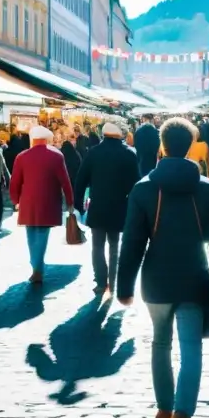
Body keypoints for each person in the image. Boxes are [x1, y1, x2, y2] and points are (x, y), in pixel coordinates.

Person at [117, 117, 209, 418]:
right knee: (192, 348)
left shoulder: (144, 188)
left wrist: (124, 286)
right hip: (193, 275)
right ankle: (183, 416)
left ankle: (164, 410)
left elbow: (133, 243)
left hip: (156, 279)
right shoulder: (205, 186)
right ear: (192, 144)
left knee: (161, 344)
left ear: (162, 146)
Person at [74, 122, 140, 296]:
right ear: (120, 135)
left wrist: (78, 204)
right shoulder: (129, 153)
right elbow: (136, 185)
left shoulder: (93, 152)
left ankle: (101, 281)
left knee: (97, 245)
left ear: (103, 134)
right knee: (114, 245)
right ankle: (112, 281)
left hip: (98, 205)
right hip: (120, 206)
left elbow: (80, 180)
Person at [10, 125, 75, 284]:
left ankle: (36, 266)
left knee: (31, 234)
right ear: (47, 139)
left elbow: (15, 183)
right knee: (42, 235)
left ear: (32, 139)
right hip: (49, 202)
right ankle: (37, 267)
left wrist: (16, 201)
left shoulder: (21, 156)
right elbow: (65, 182)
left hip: (28, 202)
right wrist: (70, 202)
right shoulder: (56, 156)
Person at [134, 113, 161, 178]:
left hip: (141, 157)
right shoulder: (155, 131)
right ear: (152, 119)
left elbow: (136, 144)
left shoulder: (138, 130)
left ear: (143, 119)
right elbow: (157, 145)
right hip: (152, 158)